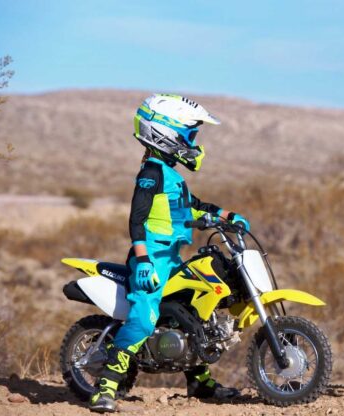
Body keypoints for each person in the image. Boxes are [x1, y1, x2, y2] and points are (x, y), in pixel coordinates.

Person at [90, 94, 250, 413]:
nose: (194, 142)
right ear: (166, 133)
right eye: (191, 134)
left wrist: (227, 215)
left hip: (172, 257)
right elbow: (136, 220)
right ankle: (105, 386)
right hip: (150, 258)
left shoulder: (172, 176)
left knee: (189, 316)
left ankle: (199, 382)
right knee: (144, 320)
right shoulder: (151, 173)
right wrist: (144, 260)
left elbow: (195, 205)